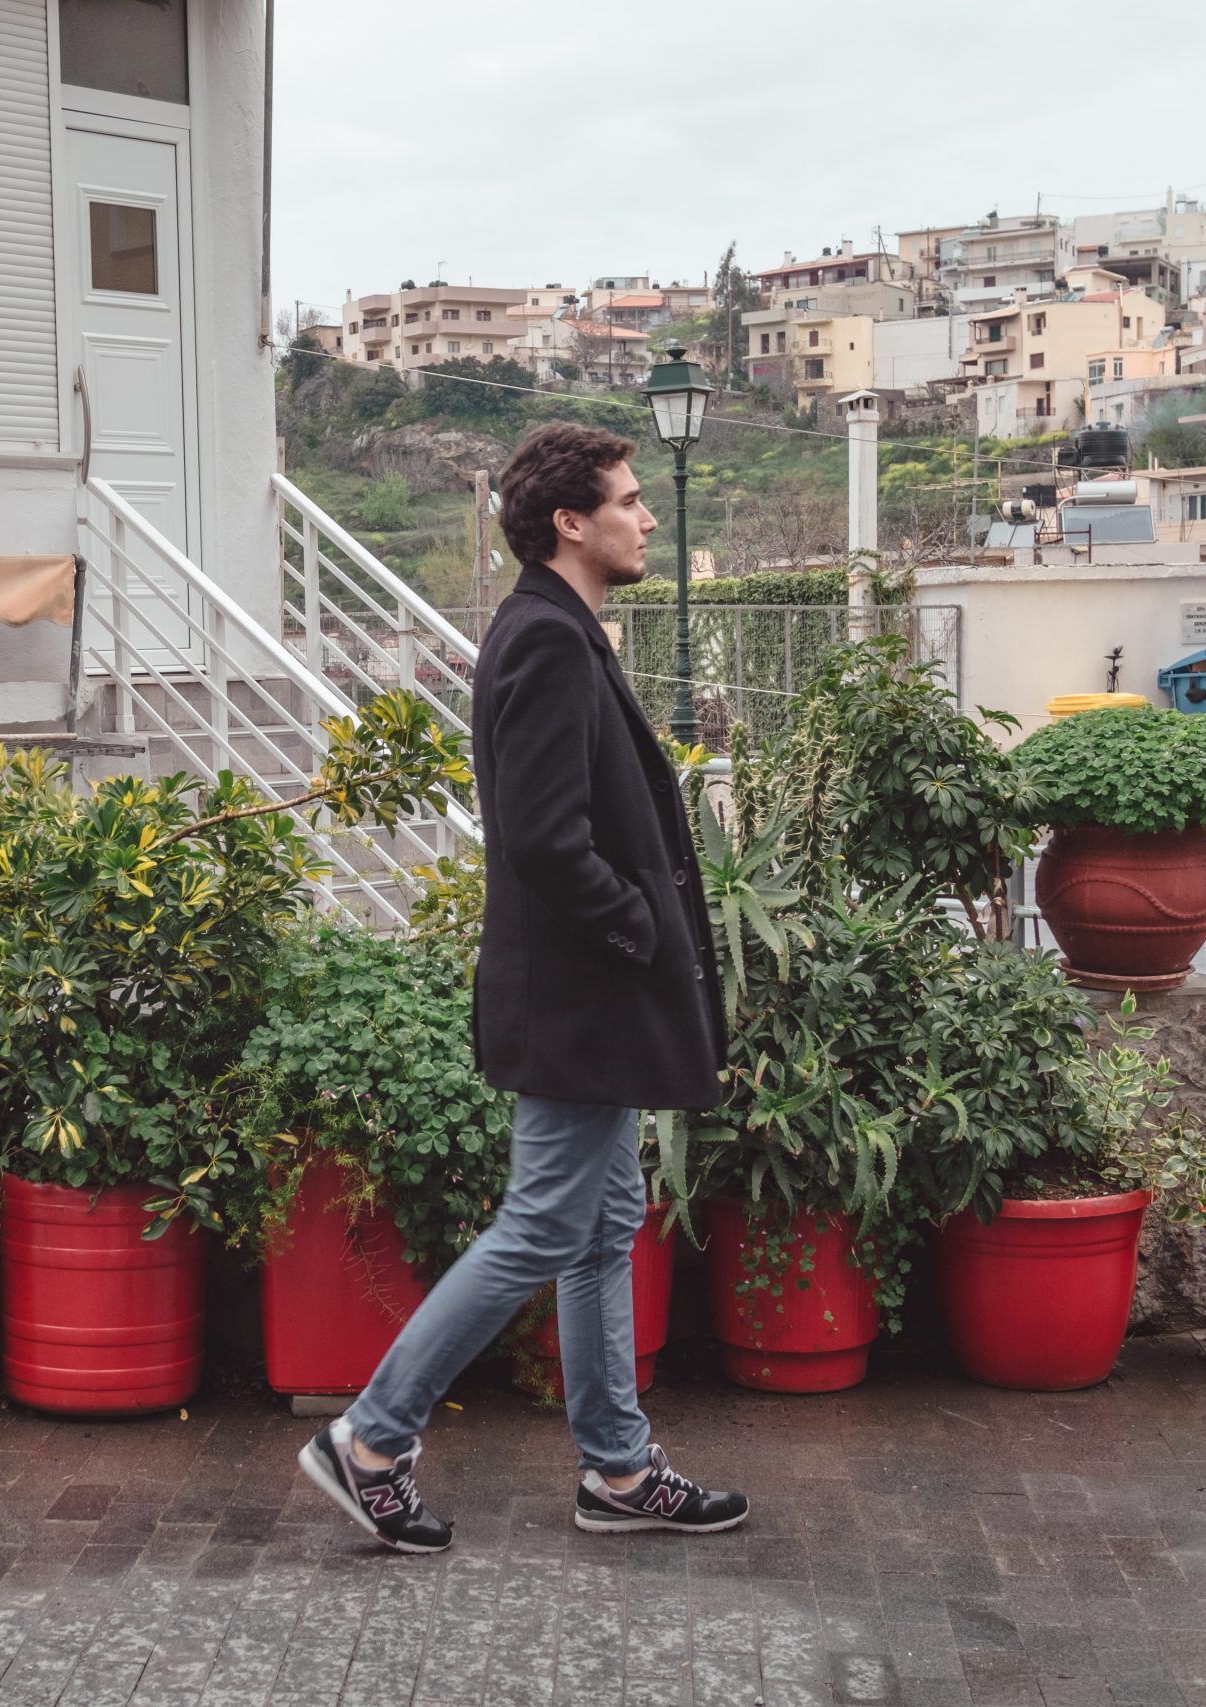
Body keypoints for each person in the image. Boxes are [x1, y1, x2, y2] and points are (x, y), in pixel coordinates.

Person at [298, 420, 747, 1554]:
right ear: (570, 521)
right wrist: (637, 925)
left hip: (583, 993)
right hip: (581, 995)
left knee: (598, 1222)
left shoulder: (555, 630)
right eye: (631, 500)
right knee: (548, 1217)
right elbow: (546, 839)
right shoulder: (545, 640)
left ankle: (618, 1469)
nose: (648, 518)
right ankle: (372, 1437)